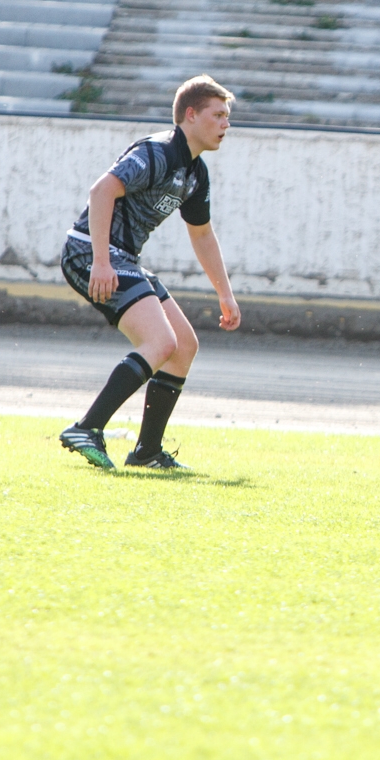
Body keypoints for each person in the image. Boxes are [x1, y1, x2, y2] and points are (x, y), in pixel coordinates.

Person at [57, 75, 243, 471]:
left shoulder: (195, 173)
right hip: (90, 253)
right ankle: (87, 428)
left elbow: (204, 235)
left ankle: (146, 452)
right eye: (219, 115)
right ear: (190, 116)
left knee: (184, 346)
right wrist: (103, 262)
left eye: (228, 116)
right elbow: (101, 192)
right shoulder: (156, 152)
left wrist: (225, 294)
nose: (226, 124)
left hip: (123, 258)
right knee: (160, 342)